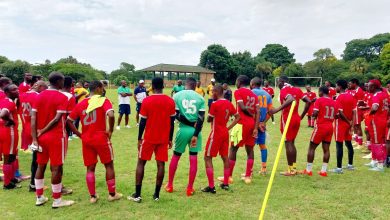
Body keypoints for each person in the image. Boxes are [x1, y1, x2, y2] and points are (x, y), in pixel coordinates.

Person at [67, 80, 122, 203]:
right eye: (102, 88)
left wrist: (79, 134)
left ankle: (93, 196)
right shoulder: (103, 100)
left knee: (90, 168)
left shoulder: (81, 103)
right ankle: (112, 194)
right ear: (98, 88)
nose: (103, 90)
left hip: (87, 139)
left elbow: (69, 120)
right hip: (101, 137)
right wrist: (110, 130)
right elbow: (111, 115)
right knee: (108, 165)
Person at [128, 77, 176, 202]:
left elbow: (142, 122)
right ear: (163, 86)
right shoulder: (170, 101)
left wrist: (139, 138)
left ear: (152, 87)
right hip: (163, 138)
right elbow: (172, 123)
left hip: (149, 137)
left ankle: (137, 194)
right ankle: (156, 195)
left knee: (141, 163)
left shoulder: (147, 101)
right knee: (161, 164)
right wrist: (170, 138)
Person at [31, 72, 74, 208]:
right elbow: (56, 119)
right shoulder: (62, 97)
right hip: (56, 137)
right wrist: (43, 130)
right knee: (56, 167)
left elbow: (33, 118)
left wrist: (35, 138)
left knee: (41, 165)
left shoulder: (39, 96)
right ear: (60, 81)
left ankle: (40, 197)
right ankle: (57, 200)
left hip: (40, 138)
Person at [165, 77, 205, 197]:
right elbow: (201, 119)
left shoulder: (177, 96)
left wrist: (187, 123)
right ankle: (190, 188)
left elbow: (175, 115)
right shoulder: (200, 98)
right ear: (195, 85)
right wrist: (196, 134)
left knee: (176, 157)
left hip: (182, 130)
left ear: (186, 84)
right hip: (195, 132)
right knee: (193, 159)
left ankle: (170, 185)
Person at [218, 75, 259, 184]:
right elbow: (258, 111)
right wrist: (255, 126)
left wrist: (249, 114)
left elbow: (243, 107)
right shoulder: (254, 95)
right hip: (252, 124)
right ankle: (248, 176)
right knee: (250, 150)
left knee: (233, 149)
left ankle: (229, 176)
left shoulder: (238, 92)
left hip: (241, 123)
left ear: (239, 82)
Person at [269, 75, 311, 176]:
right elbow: (308, 101)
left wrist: (277, 110)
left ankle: (291, 170)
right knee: (292, 142)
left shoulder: (284, 90)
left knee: (288, 143)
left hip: (287, 118)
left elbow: (291, 99)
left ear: (282, 82)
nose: (278, 84)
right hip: (296, 118)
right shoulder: (297, 89)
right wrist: (302, 115)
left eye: (278, 81)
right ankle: (294, 168)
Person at [201, 85, 240, 194]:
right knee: (224, 157)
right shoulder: (228, 103)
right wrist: (228, 127)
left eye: (212, 92)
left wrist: (211, 115)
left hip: (216, 133)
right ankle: (226, 183)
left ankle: (211, 186)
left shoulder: (214, 104)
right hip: (224, 133)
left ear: (217, 92)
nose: (211, 94)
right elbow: (238, 117)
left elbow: (209, 119)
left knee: (207, 157)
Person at [19, 81, 48, 192]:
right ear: (40, 87)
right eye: (44, 89)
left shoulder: (23, 94)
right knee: (38, 159)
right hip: (35, 128)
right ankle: (34, 184)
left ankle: (33, 183)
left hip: (26, 126)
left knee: (35, 157)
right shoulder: (38, 96)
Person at [302, 86, 336, 177]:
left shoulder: (319, 100)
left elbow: (315, 113)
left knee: (311, 147)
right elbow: (337, 116)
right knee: (326, 149)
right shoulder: (334, 102)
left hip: (321, 126)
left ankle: (308, 170)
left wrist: (313, 116)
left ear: (321, 92)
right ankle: (323, 171)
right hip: (330, 127)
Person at [331, 80, 356, 174]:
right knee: (348, 144)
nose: (335, 88)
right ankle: (350, 165)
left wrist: (348, 122)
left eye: (336, 86)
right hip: (348, 124)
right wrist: (351, 124)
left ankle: (339, 168)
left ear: (340, 87)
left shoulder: (339, 97)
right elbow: (354, 112)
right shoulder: (351, 96)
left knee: (339, 145)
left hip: (341, 124)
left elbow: (340, 113)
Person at [0, 84, 21, 189]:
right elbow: (3, 114)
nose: (17, 90)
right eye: (14, 89)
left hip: (3, 130)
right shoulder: (9, 102)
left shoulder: (4, 101)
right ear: (7, 92)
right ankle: (7, 183)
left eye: (17, 88)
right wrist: (11, 121)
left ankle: (11, 178)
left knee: (12, 155)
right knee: (8, 157)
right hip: (9, 132)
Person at [251, 77, 273, 176]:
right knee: (262, 146)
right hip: (262, 125)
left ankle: (249, 170)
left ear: (252, 83)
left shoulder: (251, 92)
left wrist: (256, 123)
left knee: (249, 147)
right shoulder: (267, 95)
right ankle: (263, 168)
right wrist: (263, 122)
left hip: (253, 124)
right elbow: (271, 111)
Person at [366, 79, 388, 171]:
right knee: (380, 141)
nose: (368, 87)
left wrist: (368, 114)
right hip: (384, 120)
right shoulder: (384, 94)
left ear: (374, 87)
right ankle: (375, 160)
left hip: (377, 121)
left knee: (377, 142)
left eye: (369, 86)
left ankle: (380, 165)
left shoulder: (376, 95)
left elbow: (375, 108)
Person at [347, 78, 365, 149]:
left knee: (358, 126)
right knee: (355, 125)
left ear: (355, 83)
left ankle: (360, 143)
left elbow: (360, 102)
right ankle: (357, 141)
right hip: (355, 109)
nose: (350, 85)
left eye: (351, 84)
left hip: (358, 110)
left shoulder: (359, 90)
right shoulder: (355, 90)